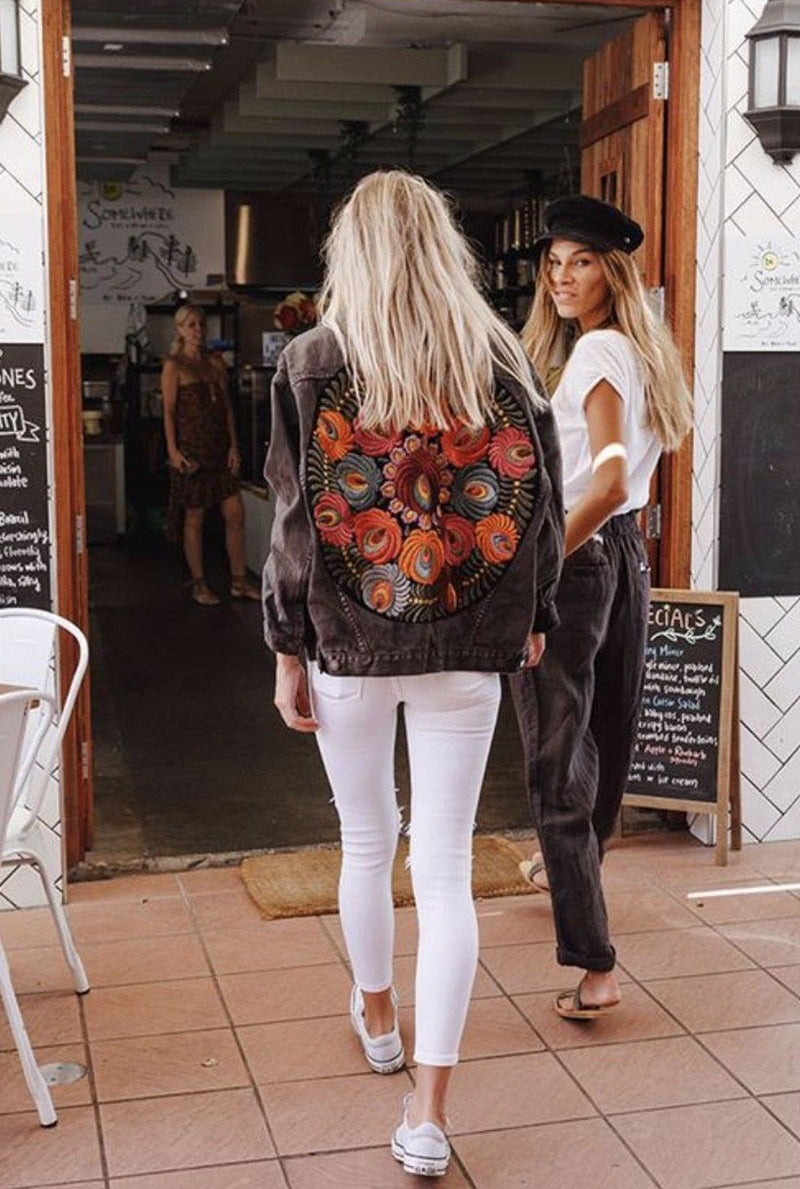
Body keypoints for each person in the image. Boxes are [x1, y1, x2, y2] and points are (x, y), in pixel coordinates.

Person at [263, 170, 564, 1178]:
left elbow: (294, 524)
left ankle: (378, 1018)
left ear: (350, 251)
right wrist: (529, 622)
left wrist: (284, 646)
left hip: (347, 642)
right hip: (465, 646)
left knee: (363, 838)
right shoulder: (499, 359)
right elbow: (538, 513)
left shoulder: (311, 360)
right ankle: (426, 1113)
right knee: (441, 868)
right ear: (444, 248)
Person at [511, 195, 693, 1019]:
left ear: (611, 272)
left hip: (582, 559)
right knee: (607, 729)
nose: (561, 276)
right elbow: (626, 485)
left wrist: (542, 563)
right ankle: (571, 863)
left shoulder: (594, 358)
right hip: (626, 555)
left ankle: (593, 965)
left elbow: (609, 477)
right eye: (554, 262)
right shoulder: (638, 354)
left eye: (579, 261)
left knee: (555, 754)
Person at [162, 304, 260, 605]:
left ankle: (239, 581)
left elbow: (227, 409)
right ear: (180, 329)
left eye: (201, 324)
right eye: (190, 325)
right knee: (195, 518)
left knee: (235, 514)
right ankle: (199, 583)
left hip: (219, 448)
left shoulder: (215, 362)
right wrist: (173, 451)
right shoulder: (174, 365)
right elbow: (169, 412)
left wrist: (234, 446)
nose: (197, 330)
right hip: (192, 451)